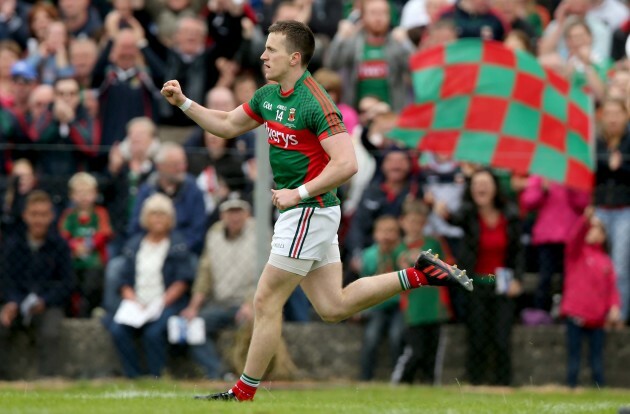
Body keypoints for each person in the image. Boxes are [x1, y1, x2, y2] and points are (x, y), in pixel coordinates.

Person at [160, 20, 473, 402]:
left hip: (310, 210)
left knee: (265, 299)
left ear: (294, 57)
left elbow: (347, 163)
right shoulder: (269, 94)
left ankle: (242, 393)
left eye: (271, 50)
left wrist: (299, 193)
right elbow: (226, 125)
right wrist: (185, 103)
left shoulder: (316, 102)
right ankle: (419, 274)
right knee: (332, 305)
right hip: (309, 213)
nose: (262, 55)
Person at [435, 168, 523, 386]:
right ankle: (475, 383)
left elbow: (519, 252)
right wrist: (440, 210)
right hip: (476, 283)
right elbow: (452, 219)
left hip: (501, 283)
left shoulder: (510, 215)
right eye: (475, 184)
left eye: (485, 183)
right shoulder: (468, 214)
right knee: (477, 337)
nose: (480, 188)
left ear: (495, 188)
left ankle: (504, 385)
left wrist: (518, 280)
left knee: (502, 338)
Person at [106, 193, 194, 378]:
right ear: (146, 218)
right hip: (137, 303)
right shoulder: (134, 244)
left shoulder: (177, 244)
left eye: (163, 214)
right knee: (117, 329)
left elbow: (182, 281)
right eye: (154, 214)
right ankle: (133, 375)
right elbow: (124, 280)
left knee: (153, 333)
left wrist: (159, 304)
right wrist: (133, 301)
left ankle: (156, 375)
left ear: (170, 218)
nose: (158, 219)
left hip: (166, 302)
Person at [180, 195, 258, 379]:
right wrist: (193, 307)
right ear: (222, 215)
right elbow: (204, 273)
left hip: (248, 304)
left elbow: (266, 273)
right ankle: (219, 374)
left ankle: (246, 376)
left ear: (247, 214)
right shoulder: (213, 234)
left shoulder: (260, 233)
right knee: (193, 326)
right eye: (230, 212)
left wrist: (251, 304)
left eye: (239, 211)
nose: (235, 217)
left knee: (250, 329)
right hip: (219, 303)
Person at [0, 190, 74, 378]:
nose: (38, 220)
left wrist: (45, 300)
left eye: (43, 215)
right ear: (25, 216)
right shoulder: (13, 245)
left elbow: (67, 283)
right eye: (34, 214)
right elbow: (6, 279)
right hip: (17, 302)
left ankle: (48, 379)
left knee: (50, 332)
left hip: (48, 304)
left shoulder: (60, 246)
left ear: (51, 216)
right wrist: (12, 302)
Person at [392, 200, 453, 385]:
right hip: (413, 307)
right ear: (402, 222)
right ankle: (402, 382)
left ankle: (429, 383)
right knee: (416, 350)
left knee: (433, 351)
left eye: (419, 222)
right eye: (411, 221)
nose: (415, 226)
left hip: (435, 305)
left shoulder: (434, 243)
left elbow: (450, 266)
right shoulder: (398, 249)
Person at [561, 210, 622, 388]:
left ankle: (599, 387)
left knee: (597, 359)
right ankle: (570, 387)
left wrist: (614, 307)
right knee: (574, 357)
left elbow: (612, 289)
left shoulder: (606, 261)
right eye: (590, 229)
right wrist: (584, 220)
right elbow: (574, 237)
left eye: (596, 229)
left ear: (603, 236)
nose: (592, 232)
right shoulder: (576, 254)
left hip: (597, 318)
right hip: (575, 314)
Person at [58, 172, 113, 317]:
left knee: (92, 285)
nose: (83, 197)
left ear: (95, 194)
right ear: (72, 195)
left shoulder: (100, 213)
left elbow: (104, 233)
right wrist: (74, 246)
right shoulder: (69, 215)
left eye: (87, 193)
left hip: (94, 261)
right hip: (73, 260)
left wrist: (88, 245)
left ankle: (90, 311)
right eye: (79, 193)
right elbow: (63, 235)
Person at [358, 215, 405, 381]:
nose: (387, 236)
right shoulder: (369, 255)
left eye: (392, 231)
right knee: (371, 337)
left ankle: (397, 378)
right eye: (383, 231)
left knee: (396, 336)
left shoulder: (402, 252)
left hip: (399, 305)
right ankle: (365, 378)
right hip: (377, 305)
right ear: (375, 234)